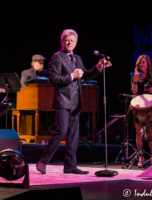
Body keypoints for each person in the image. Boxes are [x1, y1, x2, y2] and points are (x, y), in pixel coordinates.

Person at [36, 29, 112, 174]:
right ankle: (43, 161)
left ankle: (70, 165)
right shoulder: (56, 57)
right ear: (61, 42)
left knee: (74, 135)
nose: (69, 42)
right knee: (61, 130)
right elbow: (54, 79)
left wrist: (98, 68)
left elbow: (85, 75)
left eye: (72, 40)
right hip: (63, 100)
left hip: (76, 102)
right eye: (67, 40)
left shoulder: (77, 58)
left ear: (76, 43)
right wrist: (72, 75)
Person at [131, 54, 152, 167]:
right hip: (139, 107)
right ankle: (140, 156)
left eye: (144, 62)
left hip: (151, 108)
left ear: (148, 64)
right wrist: (134, 81)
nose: (142, 64)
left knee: (150, 131)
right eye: (140, 63)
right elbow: (134, 92)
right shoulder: (136, 75)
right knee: (139, 132)